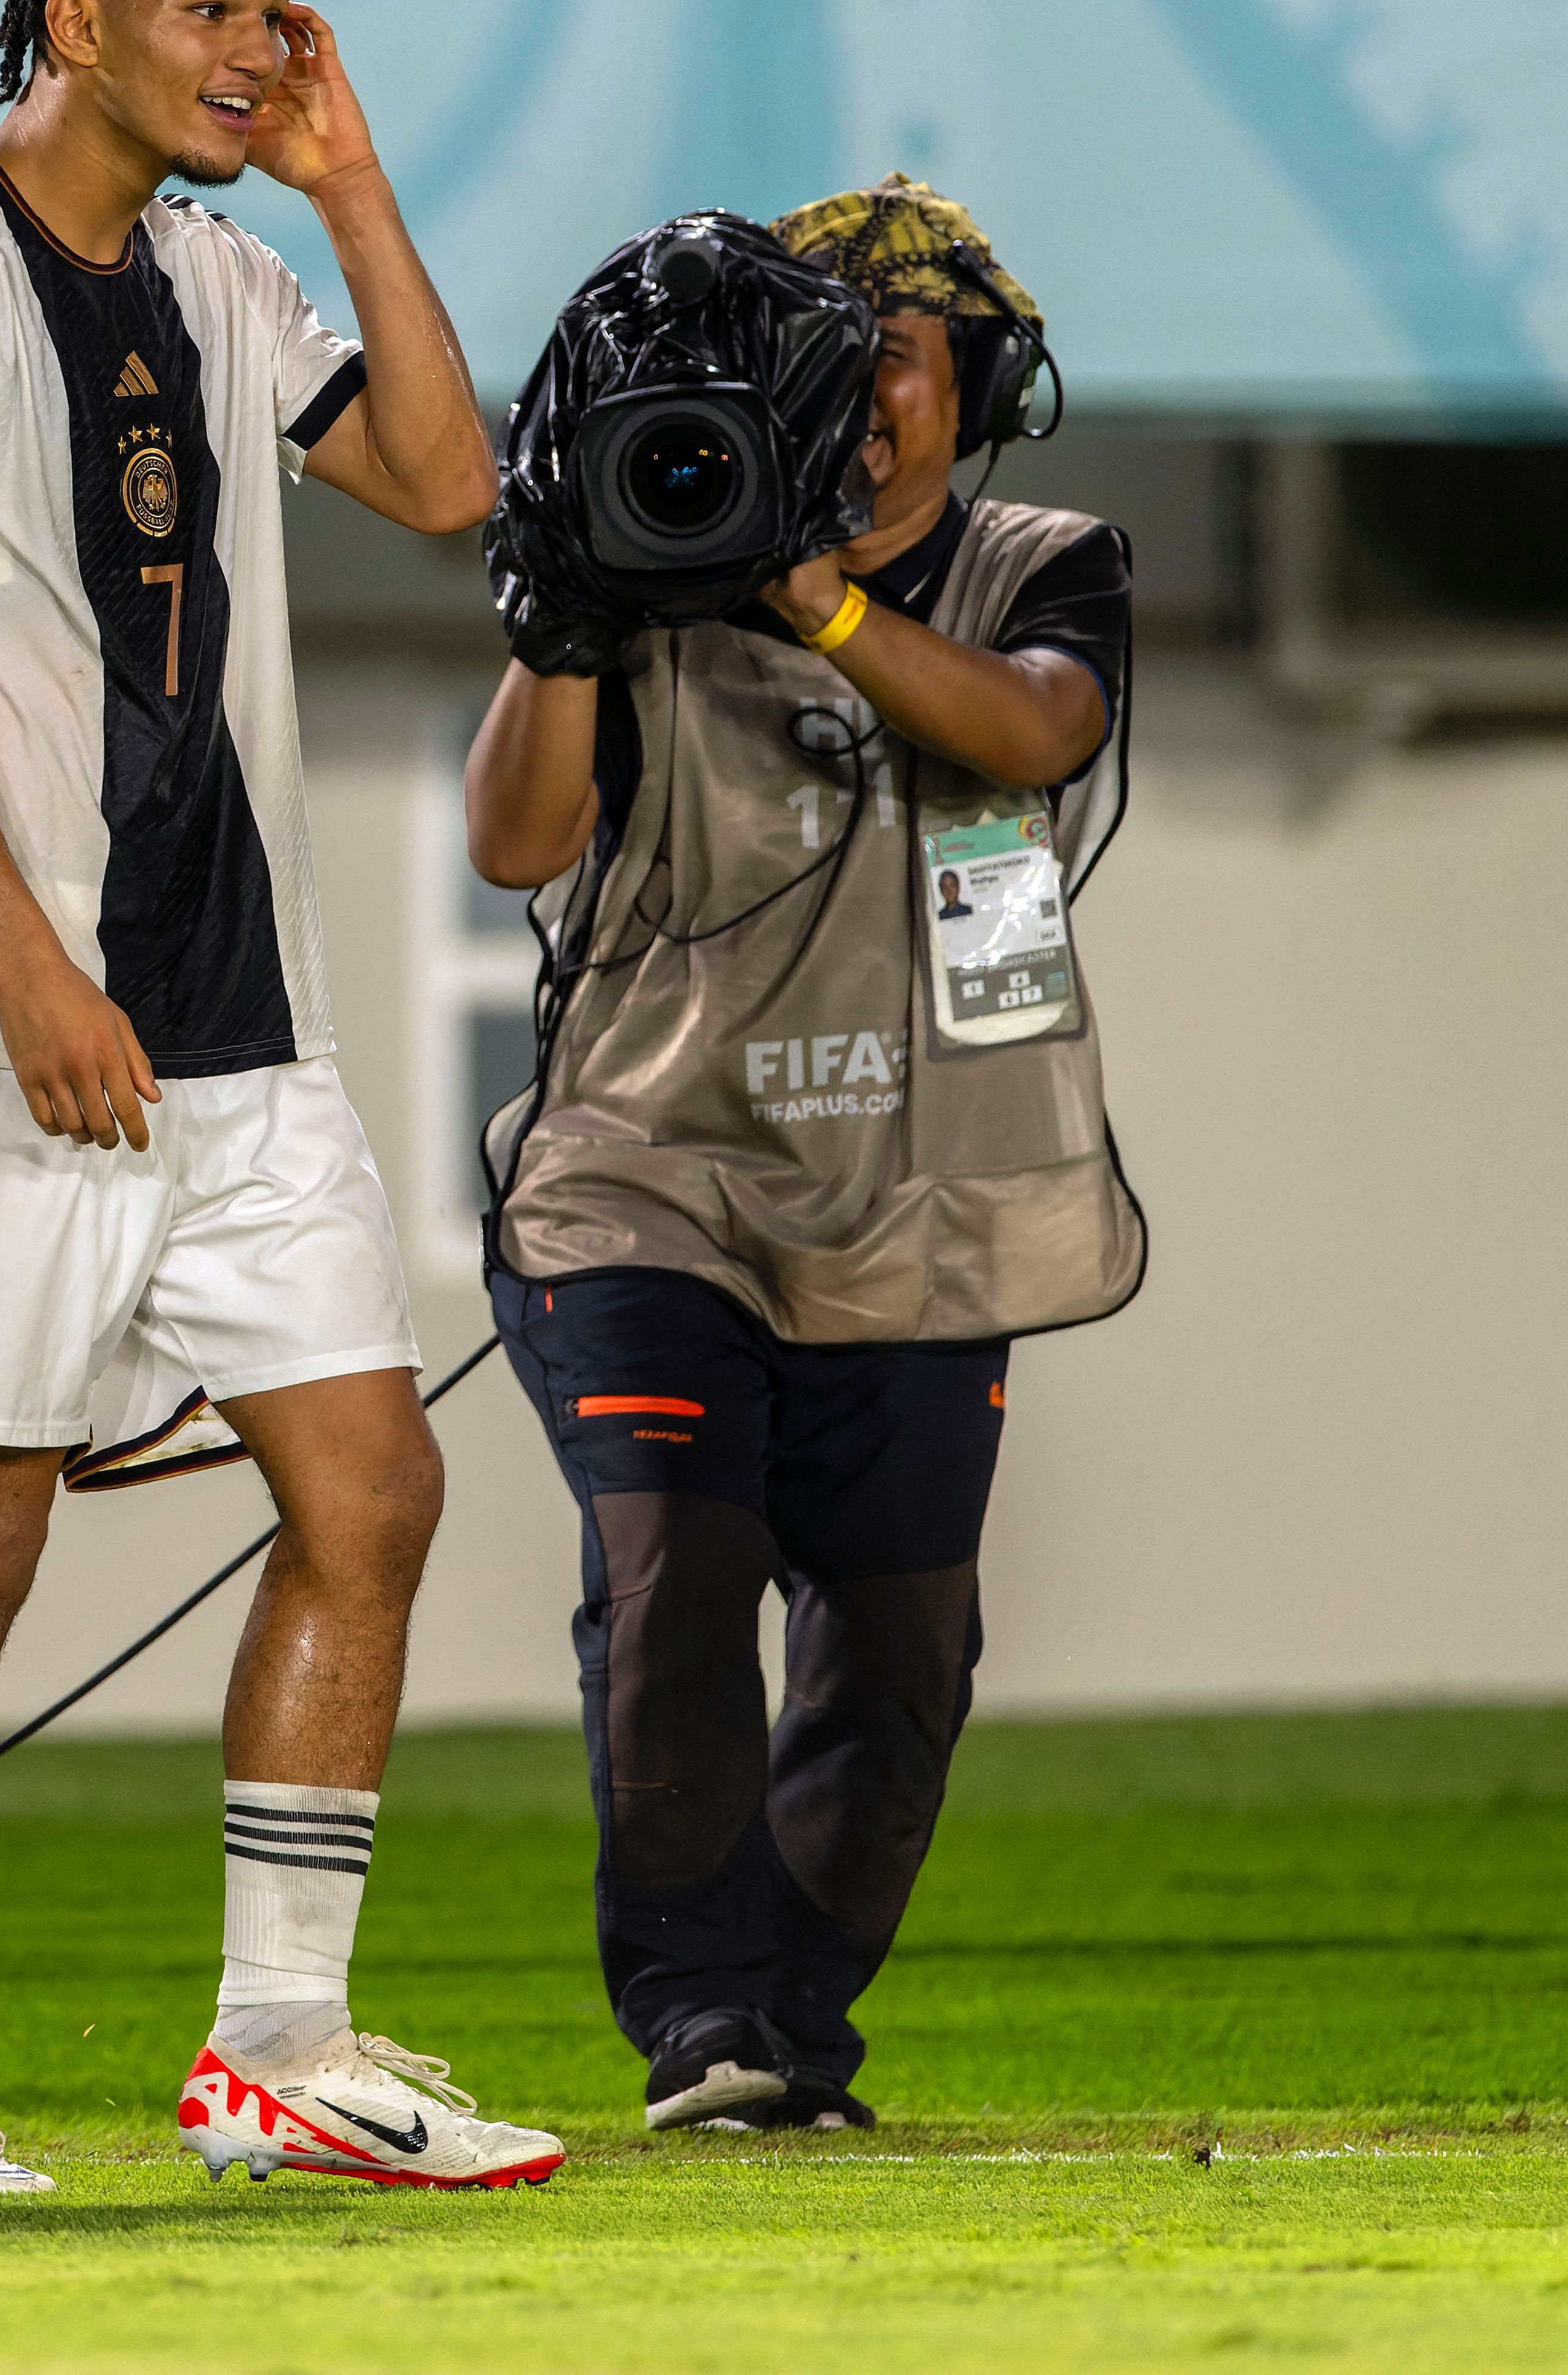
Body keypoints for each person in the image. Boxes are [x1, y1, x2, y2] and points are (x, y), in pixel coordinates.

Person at [0, 0, 562, 2196]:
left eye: (281, 5)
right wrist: (20, 952)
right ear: (74, 25)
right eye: (214, 5)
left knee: (372, 1486)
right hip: (2, 1028)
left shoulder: (225, 271)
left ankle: (281, 2049)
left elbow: (444, 476)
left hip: (242, 1026)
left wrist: (355, 181)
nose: (260, 45)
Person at [463, 174, 1140, 2135]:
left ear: (980, 387)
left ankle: (784, 2032)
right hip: (642, 1176)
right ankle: (697, 2020)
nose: (852, 402)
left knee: (905, 1641)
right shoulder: (648, 534)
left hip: (932, 1202)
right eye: (812, 365)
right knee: (676, 1565)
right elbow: (517, 840)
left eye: (894, 360)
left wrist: (812, 593)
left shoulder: (1041, 558)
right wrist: (564, 606)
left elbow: (1031, 734)